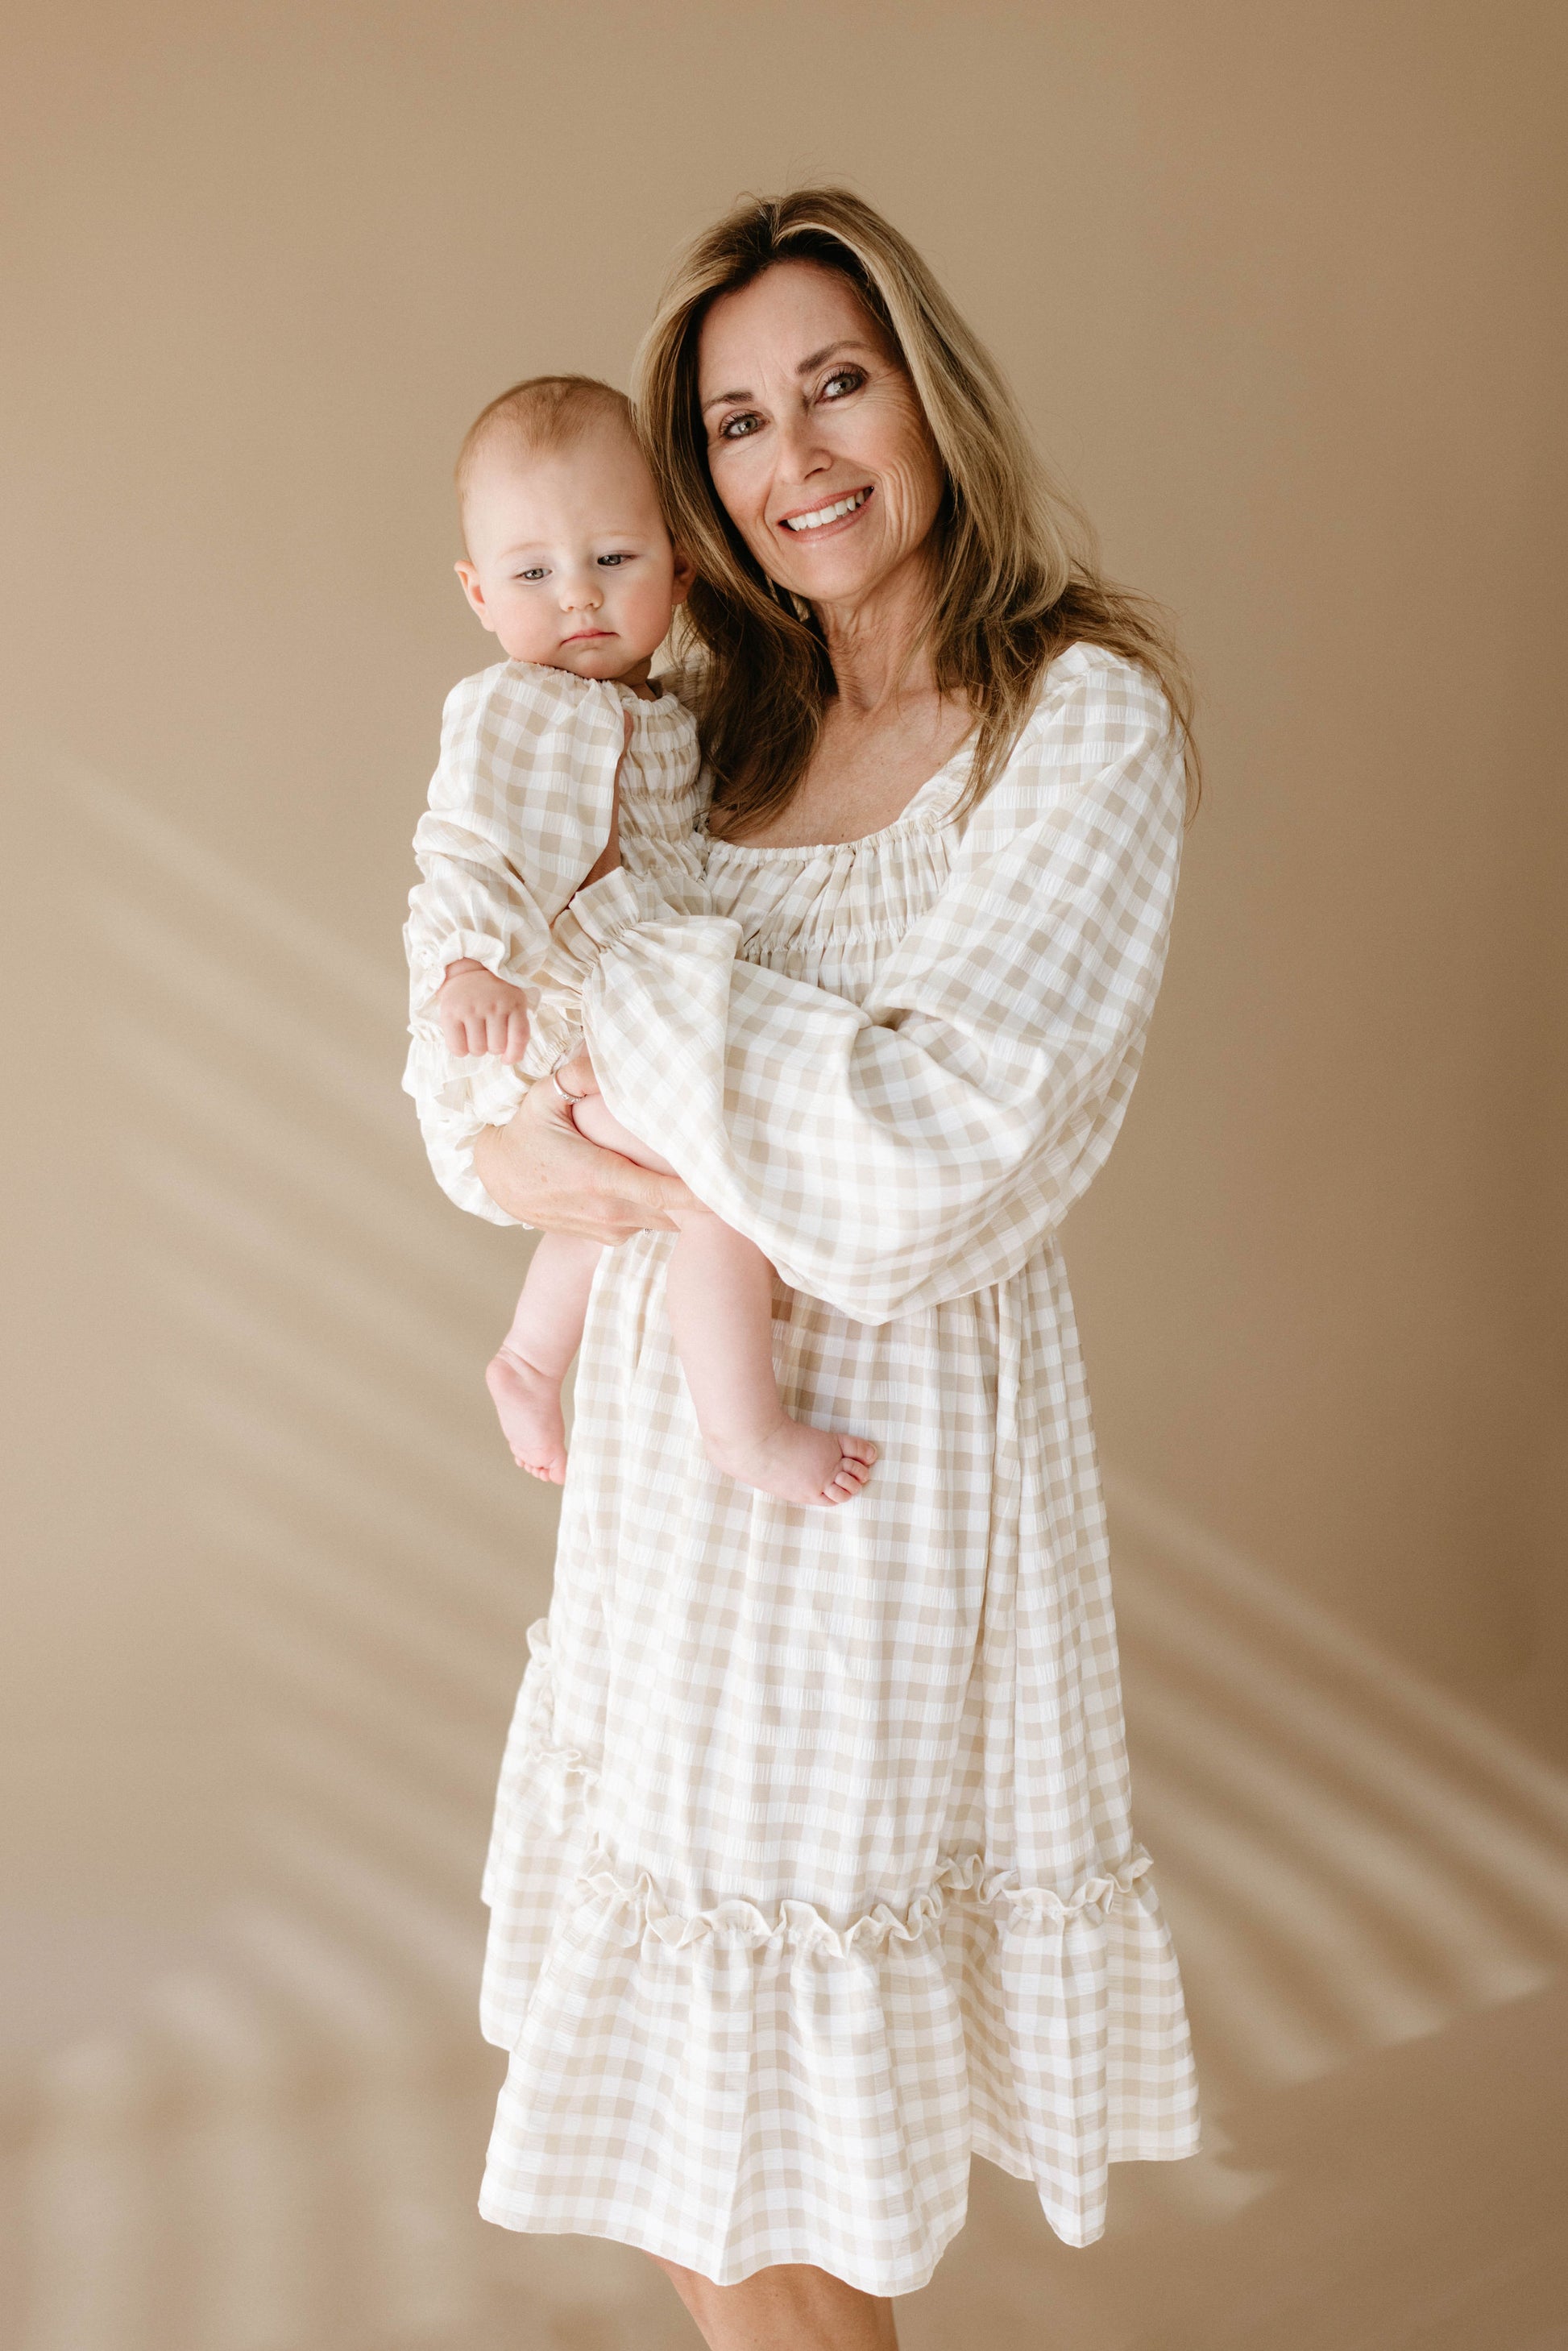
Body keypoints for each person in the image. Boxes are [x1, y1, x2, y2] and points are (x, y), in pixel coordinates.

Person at [407, 189, 1204, 2351]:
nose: (797, 453)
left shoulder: (1077, 720)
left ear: (923, 389)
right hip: (669, 1493)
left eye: (834, 382)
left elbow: (922, 1165)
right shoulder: (699, 728)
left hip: (876, 1477)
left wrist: (616, 997)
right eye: (739, 419)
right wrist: (520, 1118)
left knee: (791, 2137)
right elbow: (471, 1048)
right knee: (676, 2117)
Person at [404, 375, 877, 1505]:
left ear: (680, 564)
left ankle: (528, 1358)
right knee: (715, 1181)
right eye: (531, 574)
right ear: (478, 591)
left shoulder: (667, 708)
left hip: (612, 1019)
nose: (577, 598)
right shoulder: (512, 706)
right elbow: (465, 841)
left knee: (630, 1185)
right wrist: (470, 962)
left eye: (612, 559)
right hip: (543, 1009)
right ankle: (744, 1432)